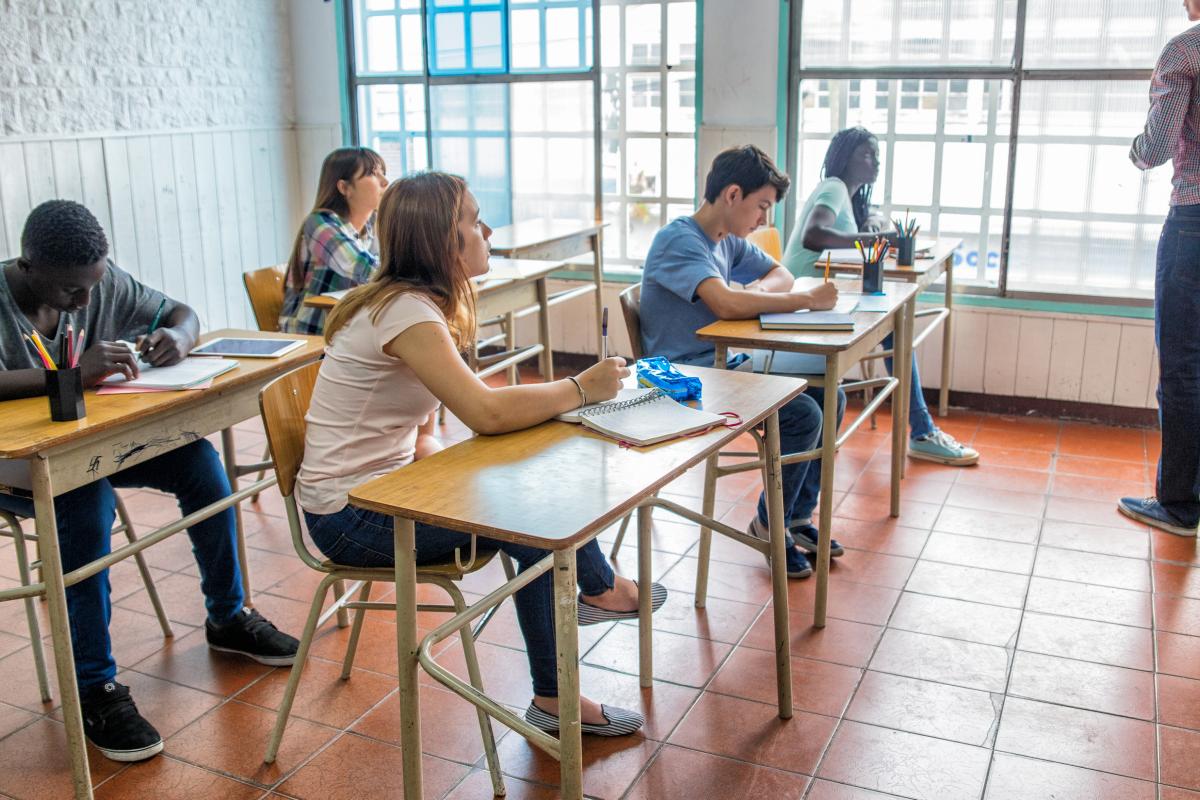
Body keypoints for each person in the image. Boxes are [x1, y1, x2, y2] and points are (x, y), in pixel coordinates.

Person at [296, 171, 666, 737]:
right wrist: (581, 388)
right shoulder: (407, 312)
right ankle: (565, 673)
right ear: (444, 240)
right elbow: (486, 413)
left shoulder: (415, 305)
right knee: (536, 523)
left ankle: (594, 594)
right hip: (348, 519)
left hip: (382, 491)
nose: (487, 228)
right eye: (473, 219)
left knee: (524, 492)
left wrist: (444, 463)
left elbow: (425, 424)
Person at [0, 200, 300, 762]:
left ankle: (228, 616)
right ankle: (96, 690)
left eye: (93, 285)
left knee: (201, 466)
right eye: (71, 292)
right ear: (28, 266)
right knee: (87, 505)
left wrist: (180, 338)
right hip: (15, 463)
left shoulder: (98, 278)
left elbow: (180, 311)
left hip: (88, 445)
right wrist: (64, 376)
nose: (87, 301)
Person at [639, 144, 846, 579]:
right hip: (685, 378)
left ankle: (794, 517)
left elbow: (781, 274)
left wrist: (761, 297)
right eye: (761, 206)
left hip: (725, 364)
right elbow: (726, 304)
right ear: (733, 194)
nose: (763, 220)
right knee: (802, 414)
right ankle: (769, 527)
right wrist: (804, 300)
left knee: (833, 393)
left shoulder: (728, 242)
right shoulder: (679, 240)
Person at [781, 126, 980, 467]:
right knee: (895, 326)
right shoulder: (834, 186)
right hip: (806, 300)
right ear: (845, 159)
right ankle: (921, 431)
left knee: (894, 323)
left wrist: (871, 221)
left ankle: (921, 429)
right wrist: (876, 239)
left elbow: (849, 229)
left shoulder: (851, 195)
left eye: (877, 155)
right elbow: (815, 235)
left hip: (828, 296)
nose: (875, 161)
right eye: (866, 154)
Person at [1120, 1, 1200, 537]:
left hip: (1194, 223)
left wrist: (1135, 147)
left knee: (1183, 367)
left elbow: (1153, 149)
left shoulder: (1187, 47)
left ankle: (1178, 504)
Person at [278, 146, 388, 335]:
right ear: (344, 187)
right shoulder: (320, 223)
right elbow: (363, 267)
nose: (385, 182)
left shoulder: (374, 224)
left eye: (383, 173)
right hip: (311, 332)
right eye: (372, 174)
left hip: (347, 329)